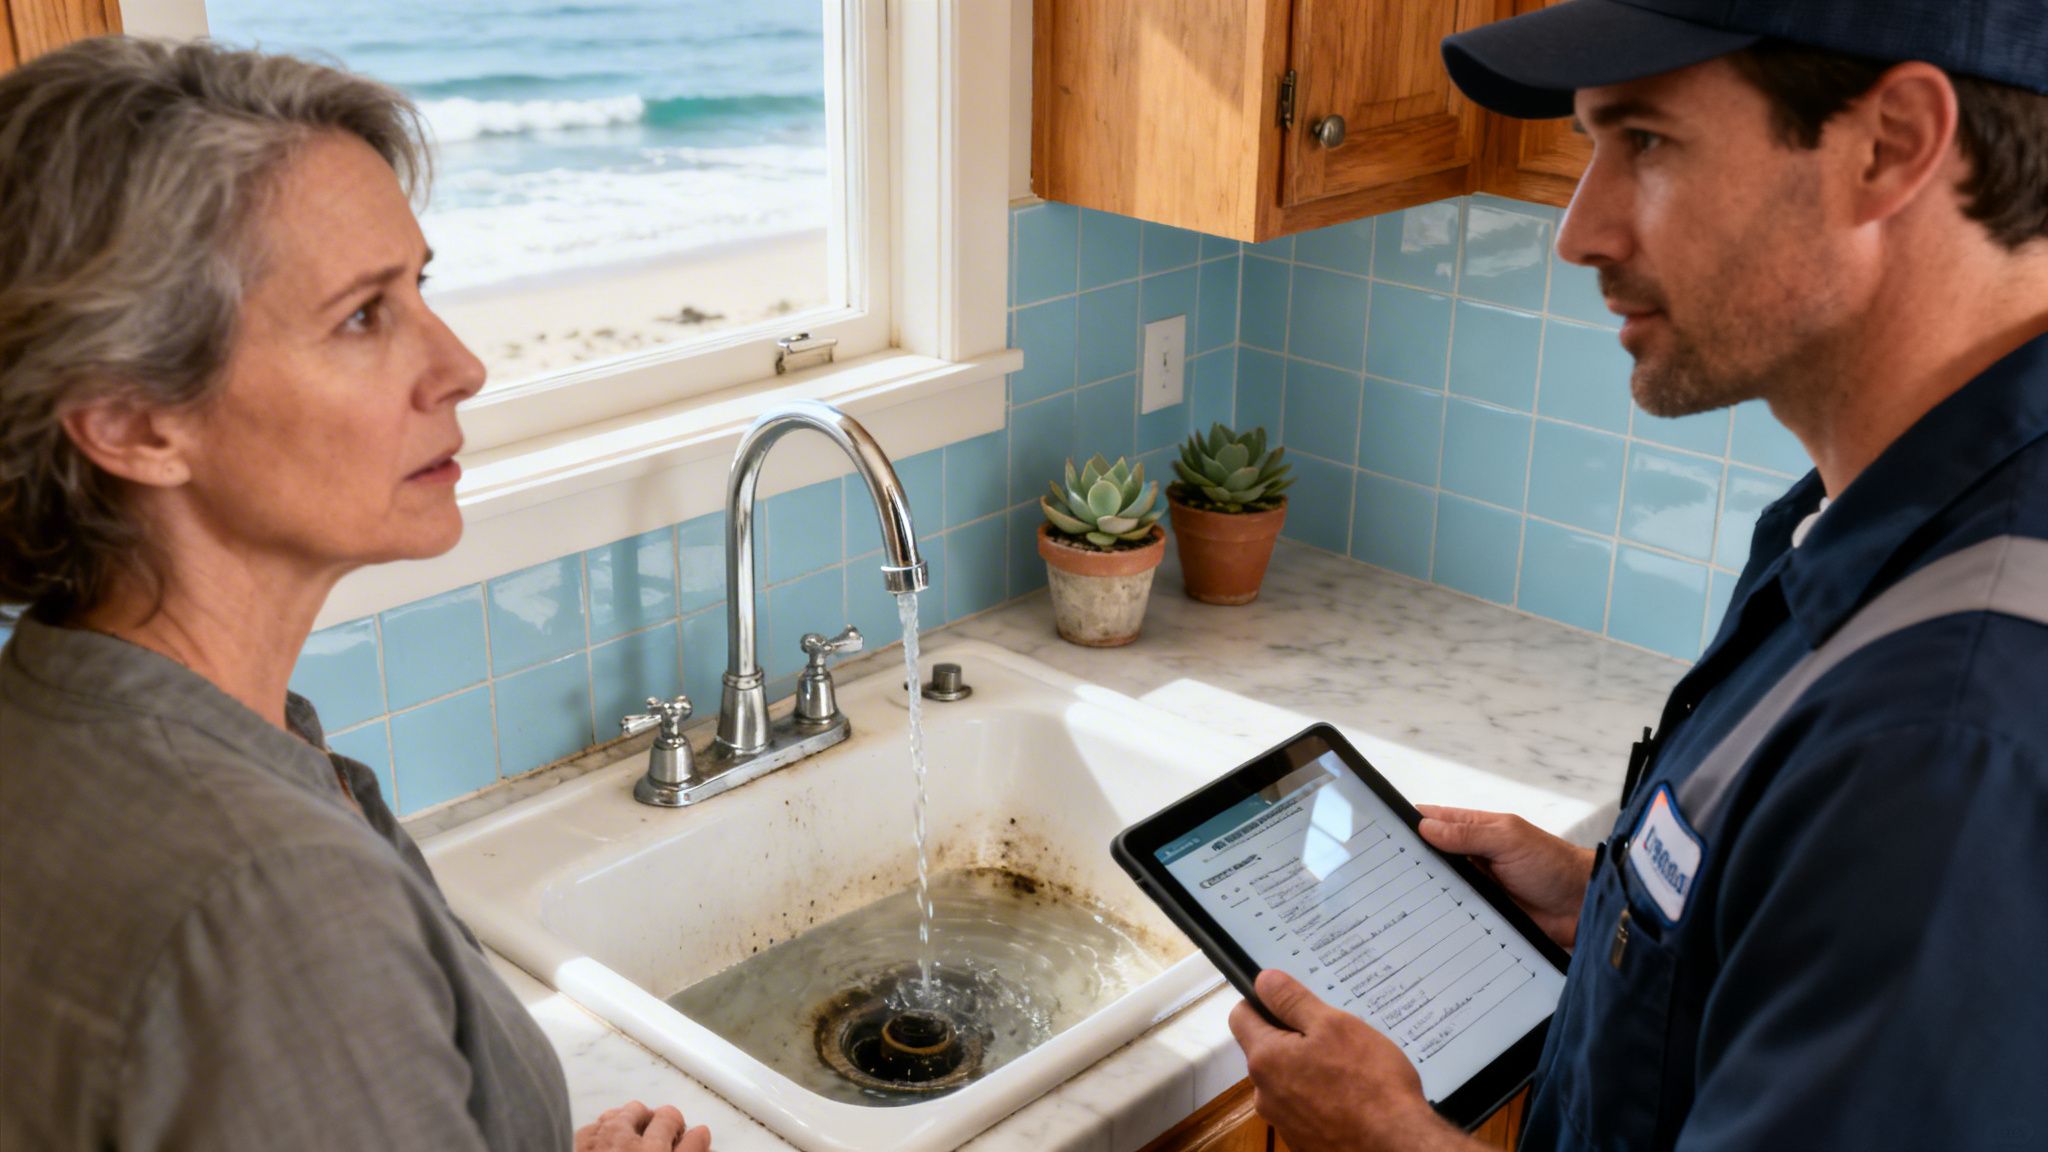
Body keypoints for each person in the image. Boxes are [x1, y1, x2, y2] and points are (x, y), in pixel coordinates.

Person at [1227, 1, 2048, 1149]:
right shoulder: (1871, 518)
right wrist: (1627, 909)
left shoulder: (1943, 743)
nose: (1579, 229)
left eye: (1645, 142)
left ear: (1890, 144)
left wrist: (1386, 1142)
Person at [0, 37, 710, 1151]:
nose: (460, 364)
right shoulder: (275, 903)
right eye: (361, 317)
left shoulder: (60, 723)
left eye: (418, 286)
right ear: (136, 423)